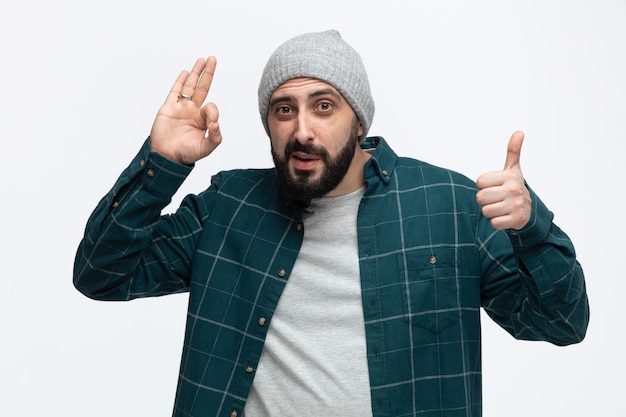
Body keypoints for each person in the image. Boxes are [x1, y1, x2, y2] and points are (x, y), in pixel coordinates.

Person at [73, 30, 589, 417]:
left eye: (324, 106)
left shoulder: (449, 205)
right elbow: (102, 274)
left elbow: (560, 323)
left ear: (358, 119)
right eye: (283, 109)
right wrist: (162, 164)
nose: (303, 130)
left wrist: (531, 229)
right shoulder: (228, 206)